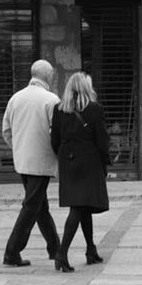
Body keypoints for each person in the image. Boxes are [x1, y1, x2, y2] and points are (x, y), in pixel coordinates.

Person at [2, 59, 61, 267]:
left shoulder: (15, 98)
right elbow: (57, 133)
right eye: (52, 74)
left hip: (23, 161)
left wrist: (18, 149)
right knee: (31, 206)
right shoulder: (51, 100)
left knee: (39, 206)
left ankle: (55, 248)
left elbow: (6, 131)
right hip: (41, 162)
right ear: (48, 75)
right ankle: (12, 252)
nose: (53, 77)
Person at [51, 72, 110, 273]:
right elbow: (102, 141)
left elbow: (54, 141)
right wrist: (105, 163)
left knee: (83, 205)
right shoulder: (94, 109)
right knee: (78, 207)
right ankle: (61, 253)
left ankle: (91, 249)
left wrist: (64, 156)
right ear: (87, 88)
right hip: (89, 162)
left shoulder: (59, 109)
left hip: (68, 163)